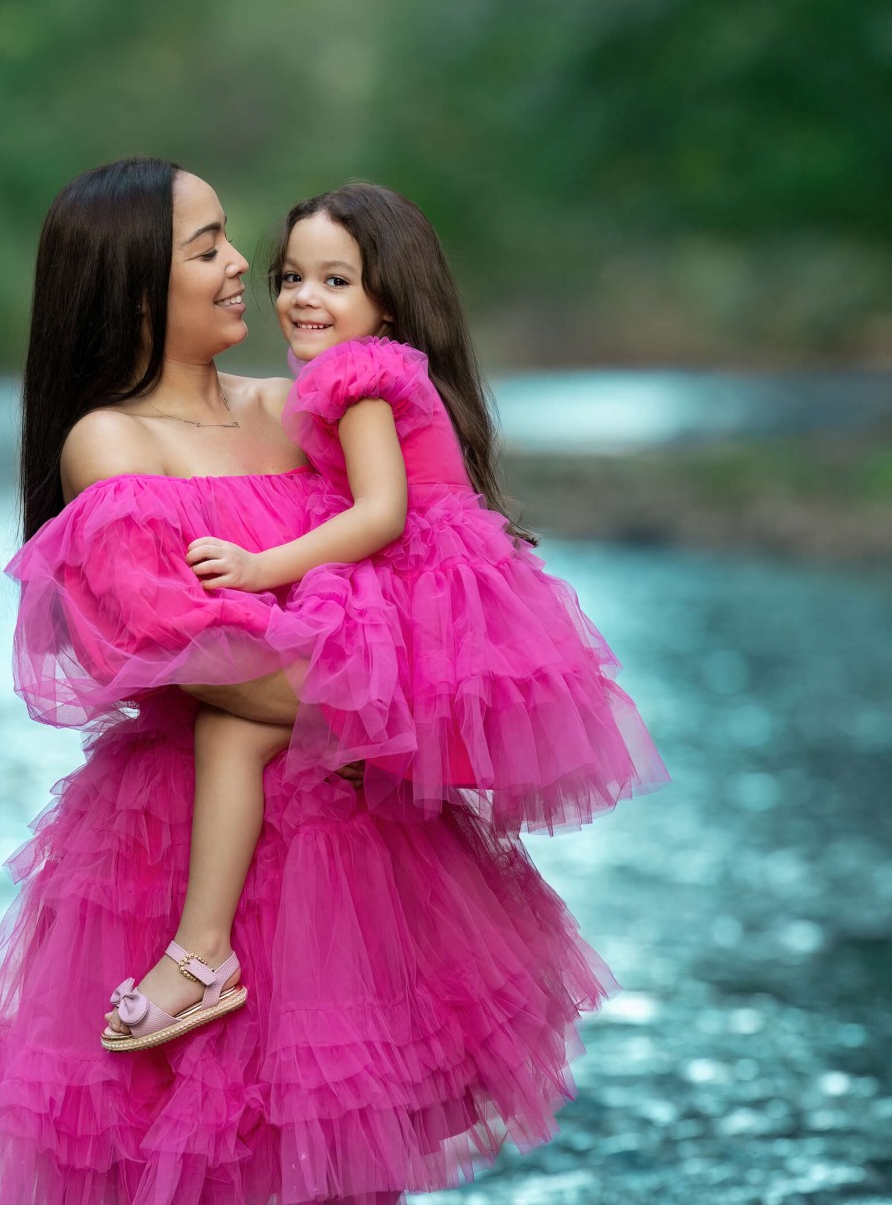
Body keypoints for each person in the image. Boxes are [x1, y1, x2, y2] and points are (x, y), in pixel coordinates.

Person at [0, 157, 615, 1205]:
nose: (243, 263)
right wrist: (395, 719)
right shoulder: (111, 444)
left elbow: (398, 555)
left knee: (342, 1156)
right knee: (198, 1153)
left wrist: (424, 698)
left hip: (357, 846)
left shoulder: (299, 403)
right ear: (135, 284)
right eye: (205, 246)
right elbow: (185, 656)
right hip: (192, 841)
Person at [189, 182, 670, 833]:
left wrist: (259, 567)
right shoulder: (385, 368)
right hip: (439, 605)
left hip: (408, 599)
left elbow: (381, 513)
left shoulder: (356, 377)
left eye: (336, 281)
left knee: (232, 735)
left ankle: (202, 937)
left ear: (387, 301)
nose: (304, 297)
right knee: (251, 737)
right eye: (292, 277)